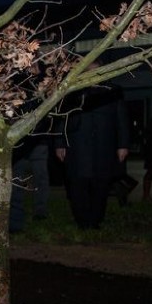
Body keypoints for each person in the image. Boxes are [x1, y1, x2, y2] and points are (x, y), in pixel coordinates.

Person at [54, 79, 130, 230]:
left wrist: (123, 144)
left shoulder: (113, 90)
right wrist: (59, 143)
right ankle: (81, 221)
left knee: (101, 184)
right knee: (77, 184)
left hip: (104, 146)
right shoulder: (73, 90)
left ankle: (95, 221)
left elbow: (122, 118)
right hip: (76, 145)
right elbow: (61, 117)